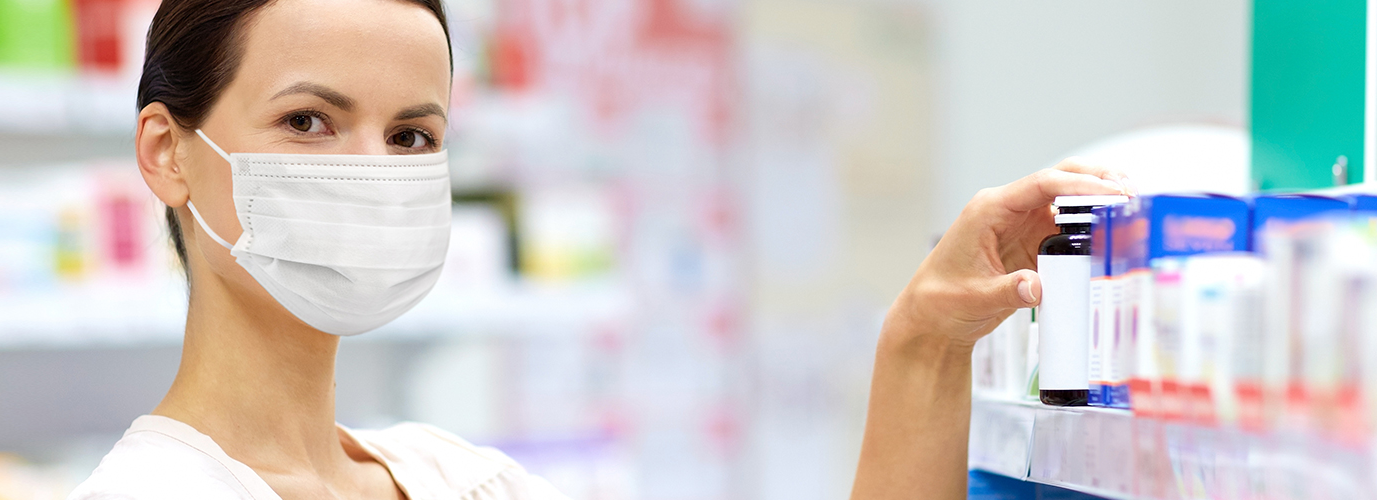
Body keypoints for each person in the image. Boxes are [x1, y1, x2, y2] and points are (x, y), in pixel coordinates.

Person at [67, 0, 1134, 498]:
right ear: (167, 151)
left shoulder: (456, 479)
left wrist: (924, 340)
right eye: (309, 121)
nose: (371, 167)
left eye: (412, 135)